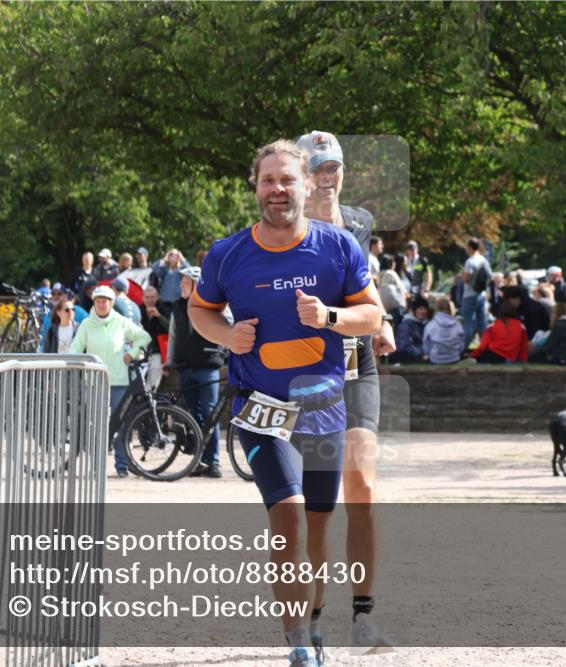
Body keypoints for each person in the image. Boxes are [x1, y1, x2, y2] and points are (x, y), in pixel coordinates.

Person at [188, 139, 382, 667]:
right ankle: (298, 646)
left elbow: (373, 317)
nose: (278, 189)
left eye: (287, 179)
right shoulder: (228, 254)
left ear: (306, 184)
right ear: (255, 187)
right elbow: (199, 310)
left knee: (319, 525)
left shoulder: (338, 247)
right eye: (268, 180)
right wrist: (226, 337)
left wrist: (330, 318)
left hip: (323, 408)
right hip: (260, 407)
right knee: (289, 516)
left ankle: (315, 624)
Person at [296, 130, 396, 656]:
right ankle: (312, 616)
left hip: (359, 365)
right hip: (309, 373)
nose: (328, 175)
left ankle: (363, 615)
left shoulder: (358, 223)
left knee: (362, 483)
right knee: (318, 504)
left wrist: (381, 319)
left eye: (333, 165)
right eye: (318, 166)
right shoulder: (284, 231)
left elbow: (366, 282)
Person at [70, 284, 152, 478]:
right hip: (95, 381)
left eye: (105, 301)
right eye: (98, 301)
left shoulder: (122, 322)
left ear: (112, 303)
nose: (101, 304)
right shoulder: (86, 325)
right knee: (96, 425)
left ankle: (121, 466)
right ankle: (96, 467)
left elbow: (144, 337)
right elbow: (74, 349)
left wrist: (132, 353)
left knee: (121, 425)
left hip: (119, 381)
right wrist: (82, 365)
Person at [167, 266, 226, 478]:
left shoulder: (215, 305)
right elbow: (173, 335)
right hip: (185, 367)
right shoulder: (177, 306)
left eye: (185, 282)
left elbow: (228, 325)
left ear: (195, 284)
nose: (181, 286)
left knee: (211, 413)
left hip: (207, 365)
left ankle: (214, 461)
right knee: (192, 415)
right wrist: (169, 361)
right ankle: (199, 461)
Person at [461, 239, 491, 349]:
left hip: (469, 295)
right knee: (482, 323)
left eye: (466, 246)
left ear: (469, 247)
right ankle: (486, 347)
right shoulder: (484, 260)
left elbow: (467, 279)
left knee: (467, 322)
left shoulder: (470, 261)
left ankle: (463, 348)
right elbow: (489, 276)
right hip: (481, 295)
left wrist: (463, 276)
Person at [140, 285, 170, 390]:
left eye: (152, 297)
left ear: (157, 297)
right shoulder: (139, 310)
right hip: (141, 351)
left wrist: (159, 316)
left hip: (158, 352)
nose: (150, 300)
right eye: (147, 297)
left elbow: (171, 329)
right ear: (142, 298)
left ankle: (150, 401)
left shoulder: (164, 309)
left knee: (152, 385)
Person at [422, 296, 463, 364]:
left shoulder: (430, 325)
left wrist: (430, 354)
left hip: (436, 359)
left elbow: (426, 345)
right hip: (454, 357)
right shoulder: (457, 325)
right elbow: (462, 343)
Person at [392, 297, 429, 364]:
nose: (423, 311)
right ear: (414, 310)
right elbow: (404, 345)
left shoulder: (425, 323)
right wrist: (422, 354)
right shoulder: (406, 325)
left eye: (425, 309)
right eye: (420, 308)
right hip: (407, 358)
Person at [376, 254, 407, 324]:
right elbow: (402, 289)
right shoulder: (391, 273)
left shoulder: (379, 274)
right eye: (393, 262)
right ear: (389, 263)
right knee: (397, 325)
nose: (395, 264)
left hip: (385, 309)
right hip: (396, 308)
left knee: (389, 323)